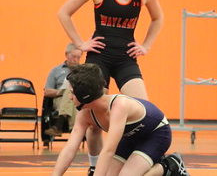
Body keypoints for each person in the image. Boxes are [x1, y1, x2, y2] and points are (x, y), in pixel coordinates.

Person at [58, 0, 164, 174]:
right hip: (99, 58)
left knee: (145, 112)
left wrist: (146, 45)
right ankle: (94, 168)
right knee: (91, 120)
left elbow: (157, 18)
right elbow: (64, 12)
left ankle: (145, 163)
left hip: (126, 59)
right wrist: (80, 43)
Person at [51, 63, 190, 176]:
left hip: (156, 134)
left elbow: (108, 150)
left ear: (84, 95)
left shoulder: (119, 106)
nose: (69, 97)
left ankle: (170, 166)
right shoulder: (85, 113)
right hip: (130, 137)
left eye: (72, 93)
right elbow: (70, 149)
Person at [43, 43, 82, 136]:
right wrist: (63, 91)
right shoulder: (55, 70)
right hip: (59, 99)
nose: (75, 60)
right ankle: (75, 132)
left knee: (72, 94)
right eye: (73, 56)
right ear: (66, 54)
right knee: (69, 91)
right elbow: (47, 92)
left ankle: (58, 126)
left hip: (78, 99)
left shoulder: (83, 71)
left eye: (78, 57)